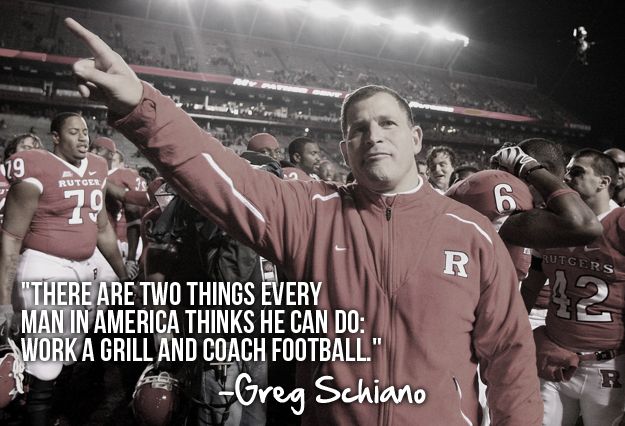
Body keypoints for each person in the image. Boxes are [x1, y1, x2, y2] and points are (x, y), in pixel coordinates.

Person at [65, 18, 542, 425]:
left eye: (387, 123)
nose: (373, 136)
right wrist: (140, 107)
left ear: (416, 138)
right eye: (358, 129)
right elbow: (222, 176)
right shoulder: (311, 213)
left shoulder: (473, 233)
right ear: (345, 149)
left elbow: (510, 359)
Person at [0, 112, 128, 425]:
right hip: (46, 265)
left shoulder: (98, 167)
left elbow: (101, 228)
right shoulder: (34, 167)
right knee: (48, 360)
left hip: (84, 267)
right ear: (55, 136)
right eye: (74, 132)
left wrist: (123, 274)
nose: (84, 138)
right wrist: (4, 299)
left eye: (86, 131)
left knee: (70, 354)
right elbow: (12, 236)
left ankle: (51, 413)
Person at [523, 149, 625, 425]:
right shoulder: (554, 224)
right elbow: (530, 288)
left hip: (607, 364)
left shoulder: (620, 223)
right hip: (554, 355)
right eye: (567, 170)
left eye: (577, 171)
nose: (567, 177)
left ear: (603, 182)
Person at [1, 133, 43, 223]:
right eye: (25, 147)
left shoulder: (44, 178)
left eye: (35, 150)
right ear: (11, 151)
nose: (30, 153)